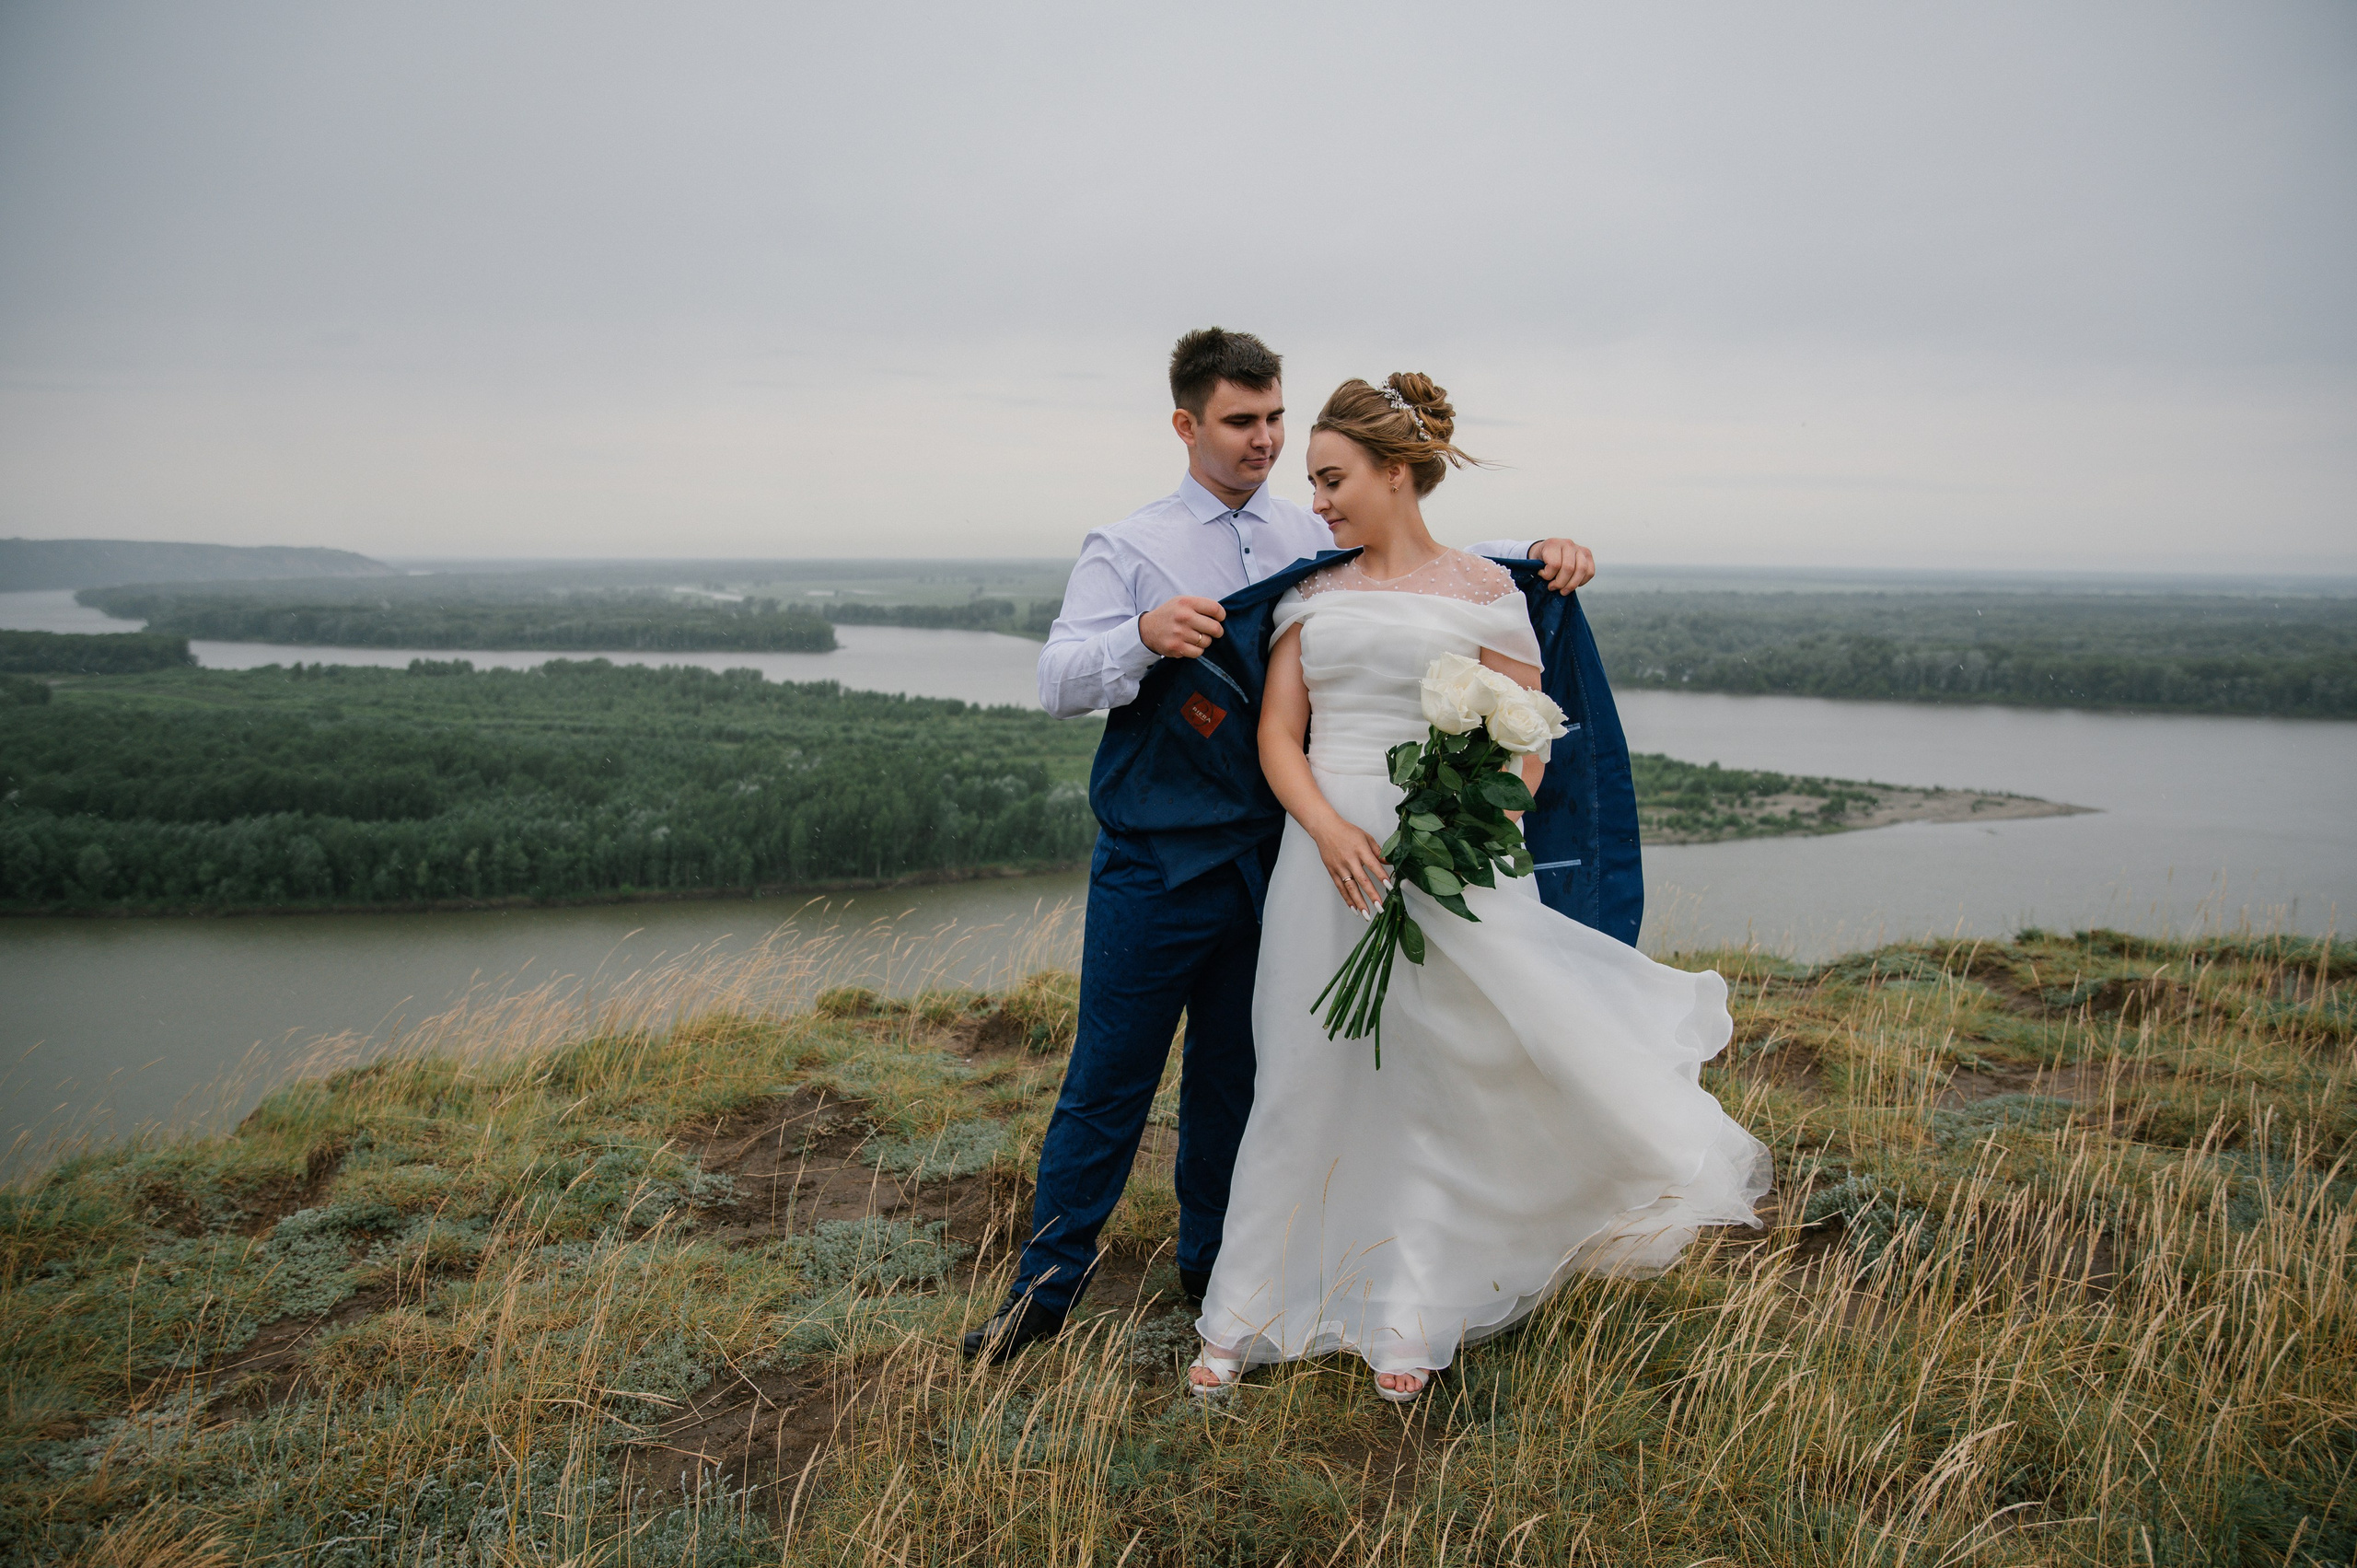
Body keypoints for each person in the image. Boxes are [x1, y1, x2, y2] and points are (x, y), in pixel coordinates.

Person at [963, 330, 1596, 1362]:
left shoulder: (1317, 526)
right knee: (1109, 1074)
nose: (1264, 440)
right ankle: (1043, 1290)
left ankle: (1217, 1272)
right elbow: (1055, 679)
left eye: (1273, 419)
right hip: (1156, 856)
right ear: (1186, 424)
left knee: (1238, 1074)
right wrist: (1141, 635)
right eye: (1240, 422)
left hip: (1275, 857)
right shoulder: (1130, 545)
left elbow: (1415, 570)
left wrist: (1554, 557)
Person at [1185, 374, 1771, 1402]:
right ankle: (1245, 1308)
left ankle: (1412, 1307)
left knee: (1433, 1076)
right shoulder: (1307, 596)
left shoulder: (1490, 593)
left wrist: (1469, 821)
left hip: (1449, 854)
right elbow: (1281, 734)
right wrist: (1324, 827)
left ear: (1398, 474)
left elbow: (1530, 738)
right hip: (1323, 859)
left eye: (1333, 479)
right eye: (1313, 481)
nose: (1315, 500)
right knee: (1304, 1072)